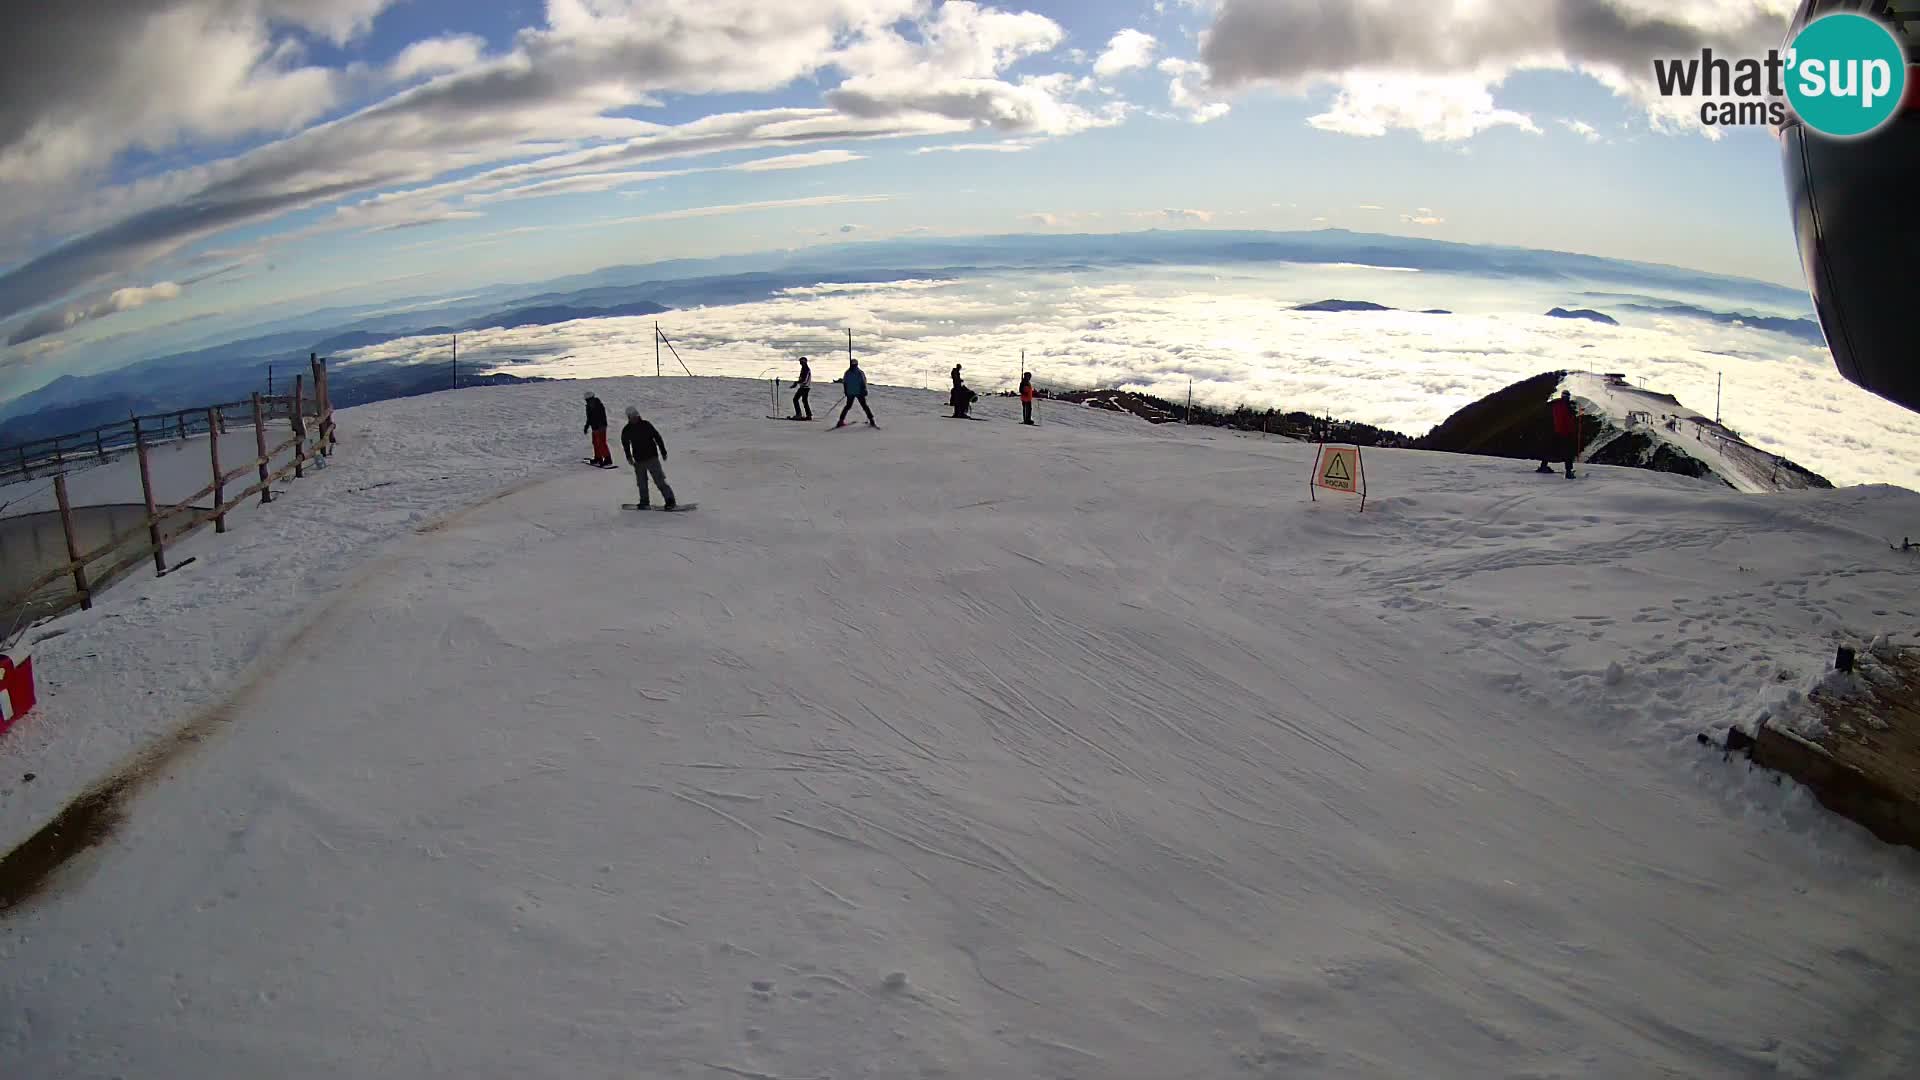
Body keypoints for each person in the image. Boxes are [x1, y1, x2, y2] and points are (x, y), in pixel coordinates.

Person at [621, 405, 676, 508]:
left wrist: (663, 451)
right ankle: (644, 501)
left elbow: (657, 437)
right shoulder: (627, 430)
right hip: (639, 461)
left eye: (636, 415)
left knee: (659, 481)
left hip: (652, 458)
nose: (635, 418)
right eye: (632, 416)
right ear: (628, 417)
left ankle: (670, 501)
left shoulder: (646, 425)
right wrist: (629, 457)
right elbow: (625, 444)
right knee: (642, 484)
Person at [1539, 389, 1578, 478]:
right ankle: (1568, 472)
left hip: (1554, 431)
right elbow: (1568, 420)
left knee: (1550, 449)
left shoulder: (1556, 405)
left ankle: (1543, 466)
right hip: (1565, 432)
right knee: (1568, 452)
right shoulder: (1567, 407)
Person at [837, 357, 876, 427]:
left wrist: (846, 391)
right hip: (859, 392)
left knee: (847, 406)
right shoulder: (860, 372)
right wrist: (864, 390)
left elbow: (845, 382)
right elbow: (863, 382)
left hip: (850, 393)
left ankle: (840, 421)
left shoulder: (847, 372)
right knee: (864, 406)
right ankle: (871, 420)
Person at [583, 391, 611, 466]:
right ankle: (598, 458)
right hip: (595, 427)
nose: (588, 401)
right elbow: (589, 418)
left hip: (600, 427)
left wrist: (599, 425)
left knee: (601, 443)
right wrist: (587, 426)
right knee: (595, 442)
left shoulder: (598, 405)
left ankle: (608, 459)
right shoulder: (589, 406)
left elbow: (601, 416)